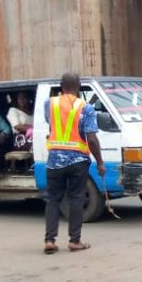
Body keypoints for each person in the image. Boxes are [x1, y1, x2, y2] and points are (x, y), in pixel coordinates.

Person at [44, 73, 105, 254]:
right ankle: (74, 241)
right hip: (77, 160)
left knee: (53, 200)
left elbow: (52, 125)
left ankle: (49, 240)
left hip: (54, 160)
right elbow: (92, 139)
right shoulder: (85, 107)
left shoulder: (50, 104)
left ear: (61, 86)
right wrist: (100, 163)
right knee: (76, 199)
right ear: (78, 86)